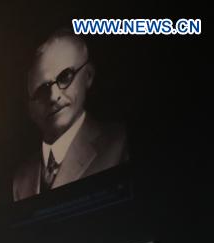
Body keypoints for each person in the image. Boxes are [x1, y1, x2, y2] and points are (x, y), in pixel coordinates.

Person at [12, 30, 129, 202]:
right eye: (42, 89)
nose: (53, 96)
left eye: (65, 77)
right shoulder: (20, 178)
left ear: (88, 75)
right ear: (29, 106)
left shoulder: (119, 143)